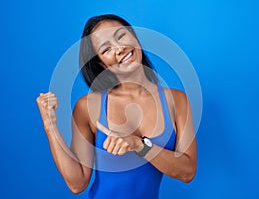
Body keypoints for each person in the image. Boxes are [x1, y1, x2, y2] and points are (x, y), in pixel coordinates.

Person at [36, 14, 197, 198]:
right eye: (106, 49)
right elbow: (77, 183)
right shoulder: (88, 107)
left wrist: (140, 145)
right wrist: (50, 126)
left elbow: (187, 172)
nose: (119, 49)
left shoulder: (177, 101)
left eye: (121, 36)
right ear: (100, 63)